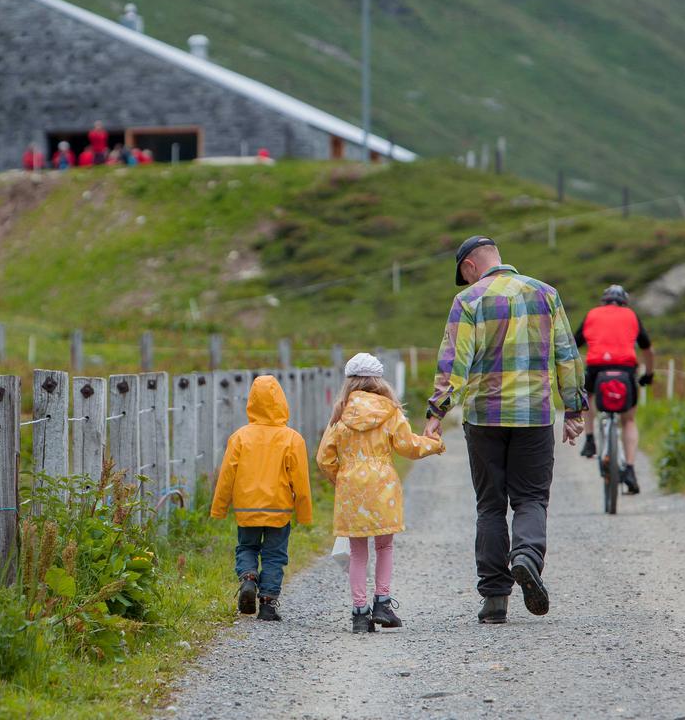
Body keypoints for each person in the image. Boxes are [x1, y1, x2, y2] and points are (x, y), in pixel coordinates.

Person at [424, 235, 587, 624]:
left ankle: (495, 599)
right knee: (531, 498)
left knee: (490, 505)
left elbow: (454, 362)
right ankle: (527, 556)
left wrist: (436, 412)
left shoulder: (468, 301)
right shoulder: (546, 294)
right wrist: (575, 409)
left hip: (483, 418)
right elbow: (567, 354)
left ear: (469, 266)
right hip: (534, 414)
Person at [317, 353, 444, 633]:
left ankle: (359, 613)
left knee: (357, 551)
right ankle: (383, 603)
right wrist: (434, 444)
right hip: (383, 485)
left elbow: (324, 458)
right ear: (379, 380)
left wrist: (341, 479)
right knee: (384, 546)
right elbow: (408, 446)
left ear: (350, 382)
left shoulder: (340, 413)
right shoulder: (390, 411)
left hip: (351, 487)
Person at [210, 374, 313, 622]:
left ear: (252, 402)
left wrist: (219, 508)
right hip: (279, 509)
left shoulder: (240, 437)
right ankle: (267, 604)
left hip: (246, 508)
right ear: (281, 402)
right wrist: (304, 512)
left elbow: (226, 476)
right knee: (274, 556)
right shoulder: (292, 438)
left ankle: (248, 578)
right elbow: (300, 480)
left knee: (247, 547)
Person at [575, 285, 655, 495]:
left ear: (604, 301)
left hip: (596, 368)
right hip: (625, 370)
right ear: (624, 302)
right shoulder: (631, 315)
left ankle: (590, 439)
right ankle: (629, 468)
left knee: (588, 396)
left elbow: (574, 344)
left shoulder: (592, 314)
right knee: (628, 420)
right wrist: (649, 374)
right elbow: (648, 349)